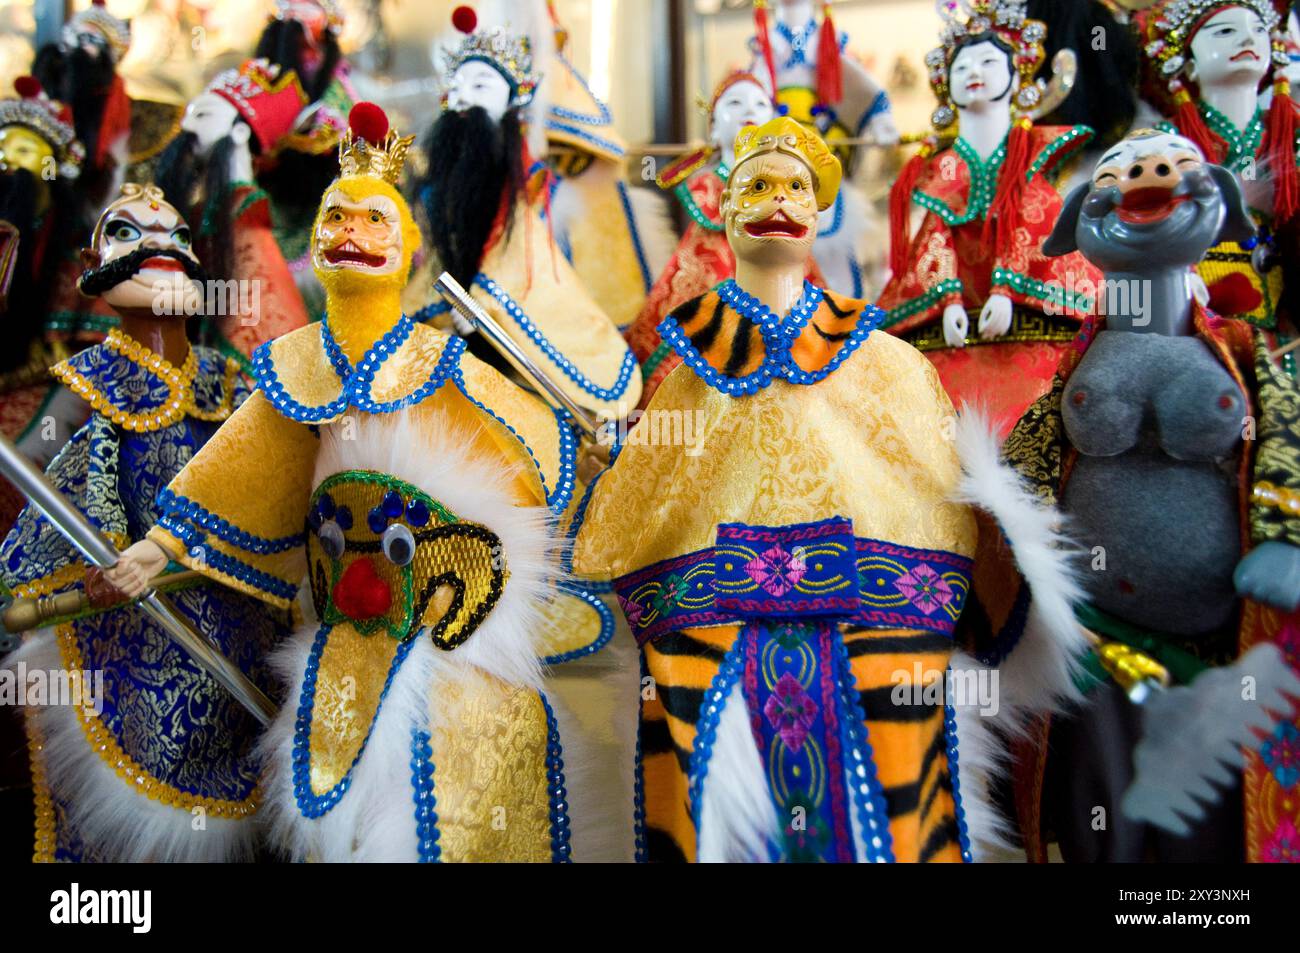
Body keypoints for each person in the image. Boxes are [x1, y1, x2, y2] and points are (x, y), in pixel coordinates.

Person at [101, 104, 609, 862]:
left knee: (453, 776)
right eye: (337, 216)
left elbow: (529, 440)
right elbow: (239, 464)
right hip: (338, 615)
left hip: (444, 621)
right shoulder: (294, 365)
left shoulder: (441, 358)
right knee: (326, 793)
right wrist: (161, 543)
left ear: (407, 247)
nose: (350, 231)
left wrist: (593, 473)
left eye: (375, 220)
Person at [572, 116, 1087, 863]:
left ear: (819, 215)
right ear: (723, 208)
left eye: (795, 186)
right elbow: (641, 509)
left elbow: (936, 489)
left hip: (872, 609)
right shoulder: (685, 375)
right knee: (695, 735)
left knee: (899, 719)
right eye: (756, 183)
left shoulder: (888, 361)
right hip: (713, 612)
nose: (776, 197)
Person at [1, 184, 289, 862]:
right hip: (133, 636)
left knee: (261, 794)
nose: (161, 247)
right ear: (95, 263)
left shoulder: (237, 385)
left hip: (241, 620)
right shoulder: (85, 385)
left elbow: (273, 484)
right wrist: (87, 576)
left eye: (176, 237)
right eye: (132, 233)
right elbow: (39, 487)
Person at [877, 0, 1102, 438]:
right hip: (951, 324)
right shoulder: (941, 168)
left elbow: (1033, 225)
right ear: (946, 87)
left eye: (987, 61)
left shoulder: (1031, 155)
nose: (973, 72)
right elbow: (934, 238)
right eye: (960, 67)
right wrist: (948, 298)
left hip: (1030, 315)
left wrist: (1004, 289)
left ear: (1018, 77)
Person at [153, 59, 311, 365]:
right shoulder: (210, 213)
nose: (187, 127)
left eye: (202, 115)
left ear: (240, 132)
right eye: (188, 115)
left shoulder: (246, 218)